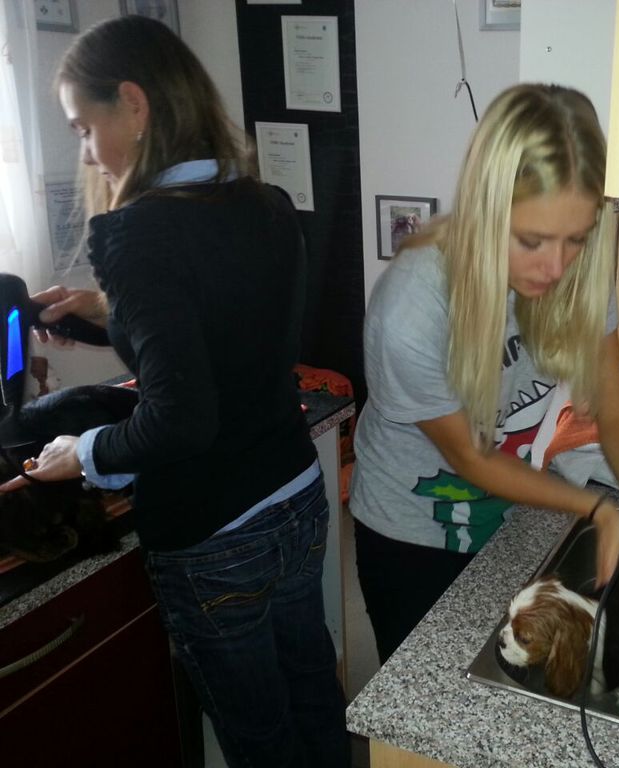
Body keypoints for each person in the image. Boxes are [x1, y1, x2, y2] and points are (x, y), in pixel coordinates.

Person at [0, 17, 349, 767]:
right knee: (314, 697)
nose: (85, 152)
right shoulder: (263, 201)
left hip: (217, 530)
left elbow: (181, 421)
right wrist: (105, 314)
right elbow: (224, 328)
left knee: (260, 741)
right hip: (294, 494)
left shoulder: (136, 233)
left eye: (82, 128)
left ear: (133, 103)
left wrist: (82, 452)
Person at [349, 83, 619, 665]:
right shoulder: (411, 310)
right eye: (532, 241)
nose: (555, 267)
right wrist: (599, 509)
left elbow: (614, 409)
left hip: (512, 519)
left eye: (575, 239)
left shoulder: (578, 274)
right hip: (412, 539)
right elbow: (472, 458)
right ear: (485, 212)